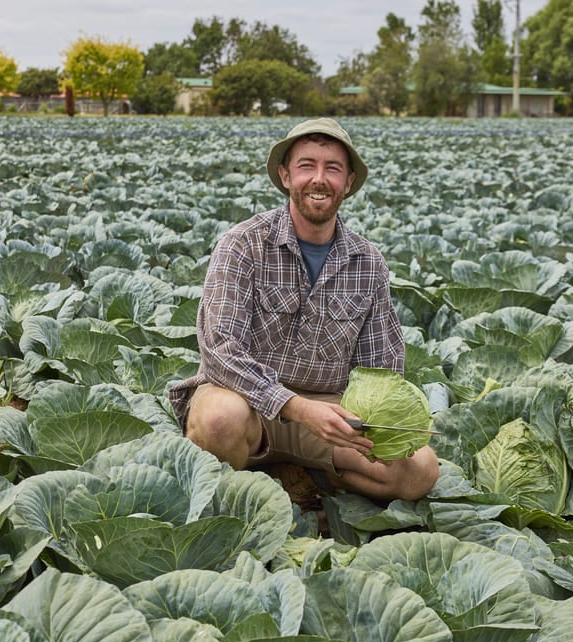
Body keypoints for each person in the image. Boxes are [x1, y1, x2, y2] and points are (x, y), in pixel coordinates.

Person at [168, 118, 438, 501]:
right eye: (306, 165)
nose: (319, 178)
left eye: (332, 168)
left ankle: (310, 481)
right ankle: (241, 496)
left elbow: (381, 368)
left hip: (329, 413)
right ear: (285, 175)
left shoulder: (368, 262)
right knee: (217, 422)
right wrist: (295, 407)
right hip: (243, 401)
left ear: (347, 183)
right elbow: (221, 352)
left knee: (419, 472)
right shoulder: (243, 244)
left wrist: (396, 421)